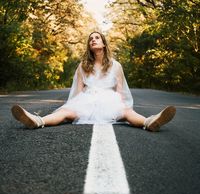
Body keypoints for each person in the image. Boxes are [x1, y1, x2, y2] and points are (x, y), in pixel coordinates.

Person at [11, 31, 176, 131]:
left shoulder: (116, 65)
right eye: (91, 39)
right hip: (86, 101)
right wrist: (71, 107)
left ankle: (151, 121)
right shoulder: (82, 66)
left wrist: (122, 107)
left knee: (126, 113)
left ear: (104, 44)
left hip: (109, 101)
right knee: (65, 113)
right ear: (89, 46)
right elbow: (76, 92)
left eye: (97, 38)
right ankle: (36, 120)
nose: (93, 40)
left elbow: (121, 92)